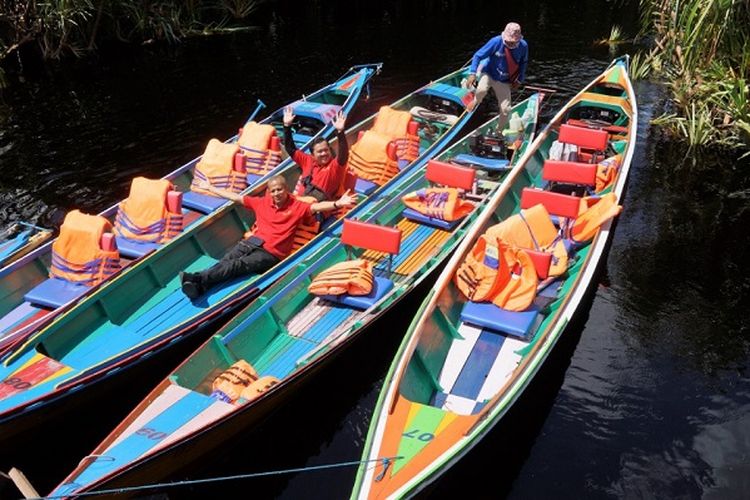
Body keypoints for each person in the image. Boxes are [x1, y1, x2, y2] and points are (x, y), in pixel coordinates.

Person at [180, 175, 357, 299]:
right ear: (269, 192)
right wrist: (210, 188)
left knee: (236, 265)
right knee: (227, 259)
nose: (276, 194)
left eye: (279, 190)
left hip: (271, 253)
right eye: (272, 191)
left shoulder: (297, 206)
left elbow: (317, 208)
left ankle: (196, 278)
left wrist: (337, 203)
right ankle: (200, 286)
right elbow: (236, 197)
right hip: (253, 242)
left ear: (286, 190)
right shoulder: (262, 203)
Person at [466, 22, 529, 130]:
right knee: (481, 90)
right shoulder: (496, 41)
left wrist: (519, 80)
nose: (510, 44)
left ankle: (499, 130)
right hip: (489, 73)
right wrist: (472, 73)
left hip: (504, 80)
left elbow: (524, 62)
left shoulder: (523, 46)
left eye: (513, 42)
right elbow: (477, 56)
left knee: (506, 110)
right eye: (509, 41)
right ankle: (476, 101)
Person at [283, 106, 349, 202]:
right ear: (313, 154)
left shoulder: (334, 167)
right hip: (298, 203)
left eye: (326, 150)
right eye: (320, 151)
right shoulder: (307, 160)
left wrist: (340, 132)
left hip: (316, 209)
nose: (324, 153)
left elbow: (343, 154)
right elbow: (290, 149)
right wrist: (287, 126)